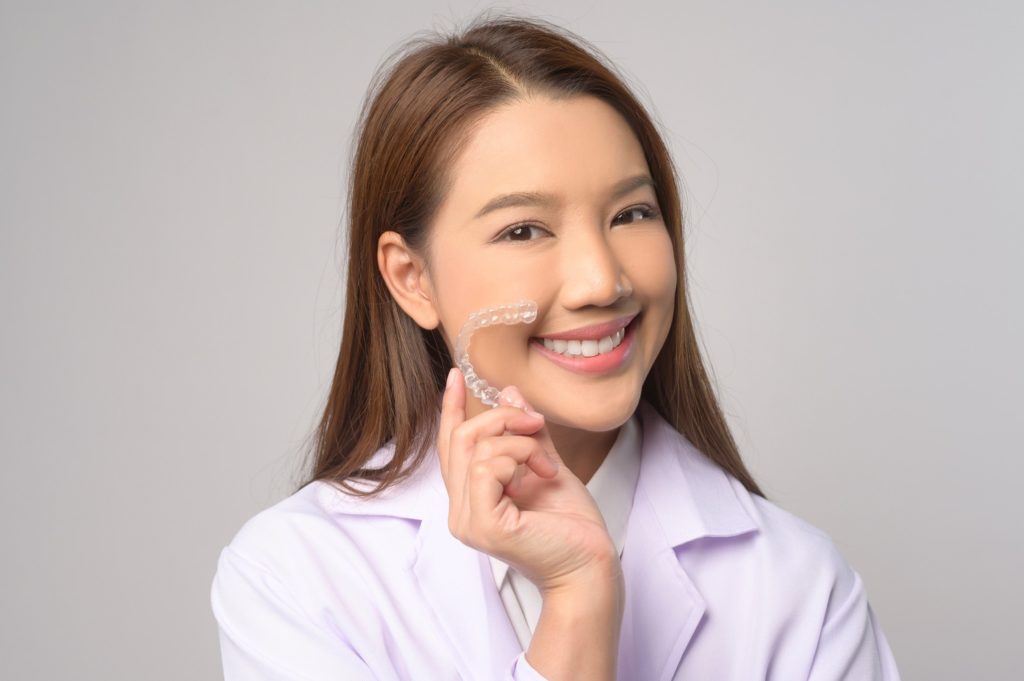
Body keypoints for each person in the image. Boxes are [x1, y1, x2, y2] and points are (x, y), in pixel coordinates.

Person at [210, 13, 901, 681]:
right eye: (524, 230)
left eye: (631, 213)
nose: (602, 281)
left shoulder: (800, 589)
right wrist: (579, 600)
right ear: (410, 278)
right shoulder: (297, 577)